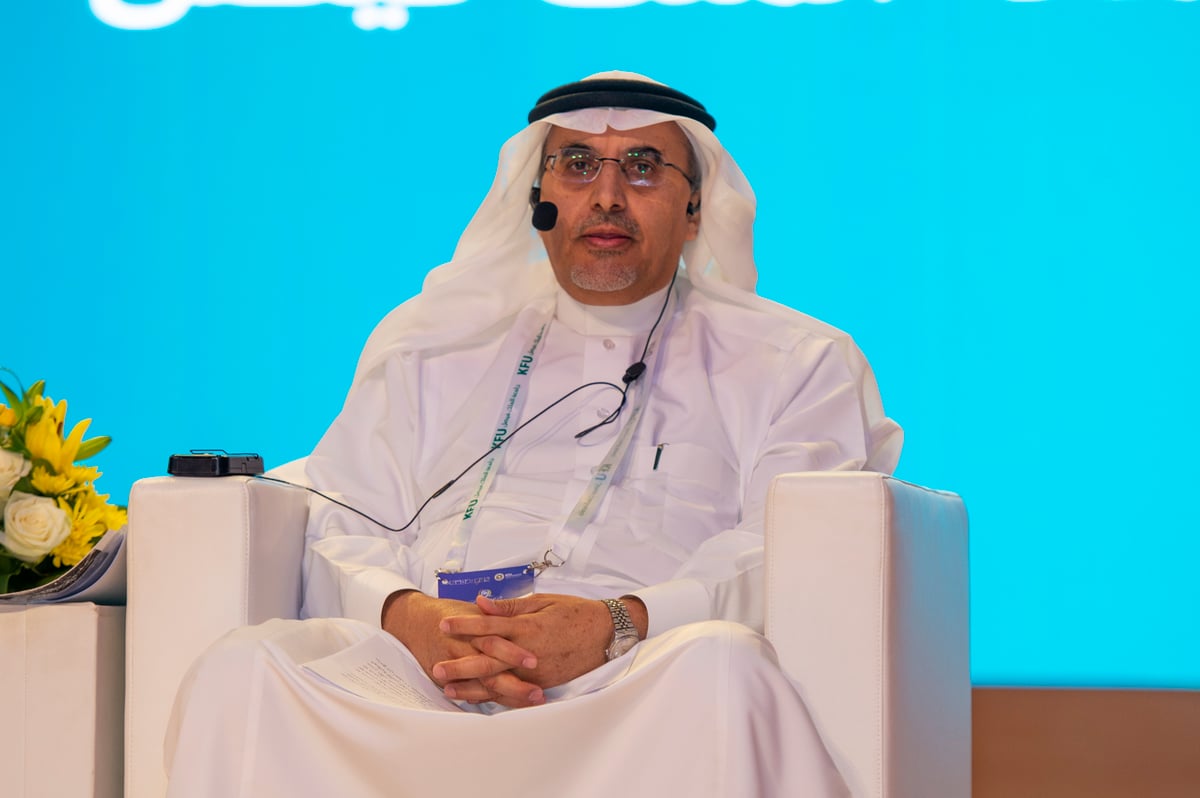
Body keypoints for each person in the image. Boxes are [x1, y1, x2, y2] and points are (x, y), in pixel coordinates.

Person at [164, 71, 902, 797]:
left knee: (722, 667)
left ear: (695, 208)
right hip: (425, 674)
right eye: (577, 165)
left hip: (637, 676)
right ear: (537, 199)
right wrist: (407, 614)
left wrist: (618, 624)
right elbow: (341, 513)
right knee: (246, 668)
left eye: (643, 167)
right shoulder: (434, 346)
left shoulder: (795, 361)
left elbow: (789, 548)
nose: (606, 196)